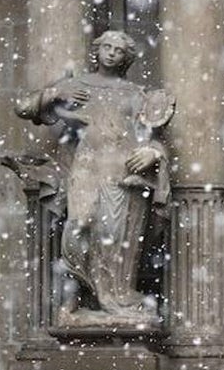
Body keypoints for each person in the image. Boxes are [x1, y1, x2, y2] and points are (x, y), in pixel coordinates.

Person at [16, 30, 173, 328]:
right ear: (97, 51)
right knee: (79, 226)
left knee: (116, 237)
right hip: (87, 166)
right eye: (108, 47)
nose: (112, 53)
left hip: (123, 171)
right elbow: (23, 107)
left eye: (119, 50)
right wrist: (55, 94)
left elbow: (153, 137)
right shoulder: (76, 84)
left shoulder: (135, 93)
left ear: (127, 58)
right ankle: (72, 304)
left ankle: (114, 300)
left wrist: (153, 153)